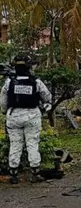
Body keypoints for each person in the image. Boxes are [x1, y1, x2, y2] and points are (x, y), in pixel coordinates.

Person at [0, 54, 52, 184]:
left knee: (15, 144)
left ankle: (13, 174)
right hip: (32, 115)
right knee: (32, 143)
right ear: (29, 67)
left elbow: (3, 102)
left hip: (14, 115)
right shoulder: (36, 81)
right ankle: (35, 172)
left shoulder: (9, 82)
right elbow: (47, 97)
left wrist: (5, 111)